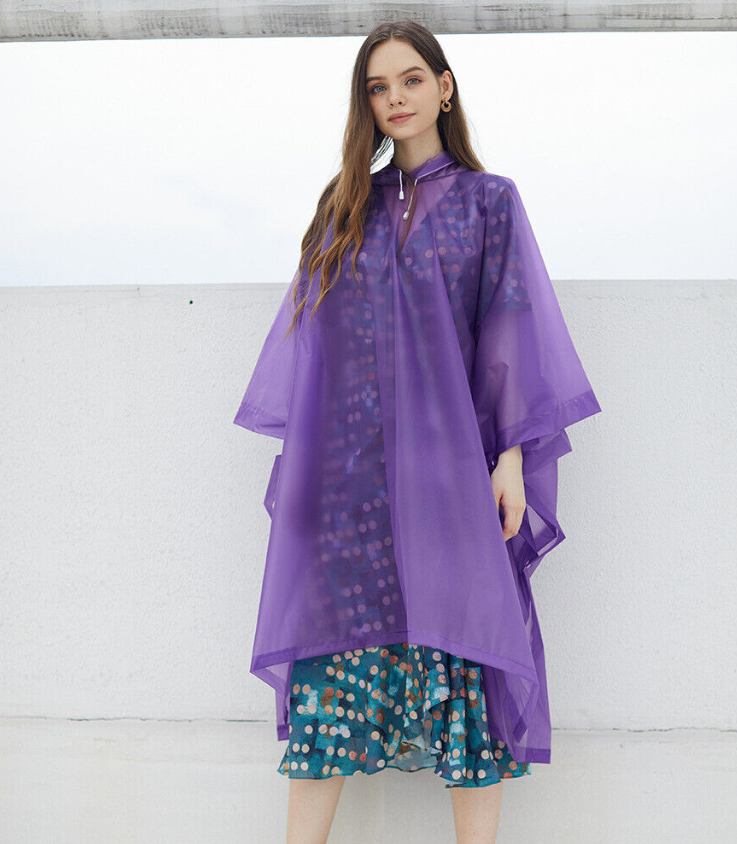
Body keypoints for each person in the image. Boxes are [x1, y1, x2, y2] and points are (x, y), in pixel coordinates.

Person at [233, 19, 601, 844]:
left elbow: (510, 332)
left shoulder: (489, 202)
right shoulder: (345, 209)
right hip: (351, 486)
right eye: (377, 87)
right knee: (331, 680)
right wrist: (309, 475)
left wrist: (511, 459)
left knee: (466, 663)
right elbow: (316, 353)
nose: (395, 98)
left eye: (409, 80)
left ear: (444, 86)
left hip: (450, 480)